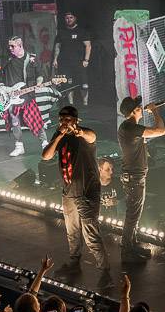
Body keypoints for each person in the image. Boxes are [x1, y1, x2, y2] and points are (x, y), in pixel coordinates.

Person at [41, 105, 112, 292]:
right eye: (62, 119)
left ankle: (105, 272)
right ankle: (74, 263)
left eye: (68, 119)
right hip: (68, 191)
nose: (64, 122)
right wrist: (58, 136)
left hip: (86, 192)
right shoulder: (60, 135)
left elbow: (92, 136)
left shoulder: (84, 136)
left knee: (90, 233)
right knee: (72, 230)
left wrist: (77, 131)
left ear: (76, 119)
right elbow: (46, 156)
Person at [0, 26, 48, 157]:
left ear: (20, 46)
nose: (10, 49)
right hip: (11, 96)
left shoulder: (31, 59)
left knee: (34, 120)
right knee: (14, 120)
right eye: (9, 46)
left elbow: (40, 74)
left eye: (12, 47)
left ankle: (45, 144)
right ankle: (19, 146)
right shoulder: (8, 56)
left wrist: (39, 83)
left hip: (27, 95)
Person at [116, 95, 165, 262]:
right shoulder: (131, 128)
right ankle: (127, 252)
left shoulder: (129, 127)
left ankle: (132, 245)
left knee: (134, 214)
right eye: (138, 107)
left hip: (134, 176)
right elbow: (161, 130)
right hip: (134, 177)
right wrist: (155, 111)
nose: (141, 108)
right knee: (132, 215)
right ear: (134, 111)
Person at [53, 11, 93, 107]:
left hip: (80, 62)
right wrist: (55, 59)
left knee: (84, 85)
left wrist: (86, 60)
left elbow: (88, 46)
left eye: (71, 17)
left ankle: (85, 104)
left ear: (75, 18)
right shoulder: (62, 32)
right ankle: (71, 103)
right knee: (68, 85)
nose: (69, 20)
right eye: (67, 18)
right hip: (66, 63)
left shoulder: (82, 31)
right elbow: (57, 47)